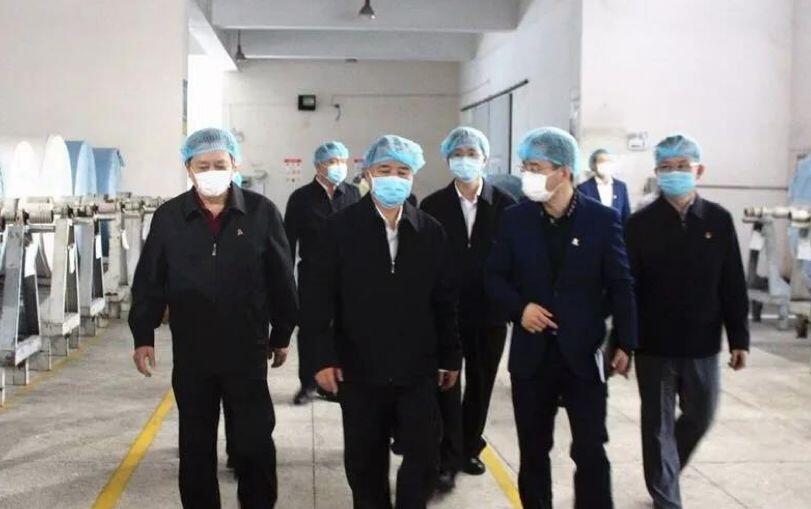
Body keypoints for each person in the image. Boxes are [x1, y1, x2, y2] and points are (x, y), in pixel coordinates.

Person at [129, 128, 298, 509]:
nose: (211, 172)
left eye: (219, 164)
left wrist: (282, 332)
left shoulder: (261, 213)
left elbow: (281, 276)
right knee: (195, 445)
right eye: (202, 165)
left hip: (247, 349)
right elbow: (150, 279)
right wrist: (143, 334)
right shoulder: (170, 217)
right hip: (193, 351)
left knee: (254, 442)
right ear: (188, 169)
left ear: (234, 164)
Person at [486, 127, 637, 509]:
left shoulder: (602, 220)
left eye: (535, 167)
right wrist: (519, 308)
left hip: (583, 352)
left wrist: (626, 341)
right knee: (534, 450)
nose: (527, 175)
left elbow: (621, 282)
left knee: (590, 449)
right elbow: (494, 277)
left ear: (564, 171)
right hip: (532, 357)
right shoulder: (515, 218)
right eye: (526, 167)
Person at [309, 135, 462, 509]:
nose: (394, 177)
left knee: (424, 454)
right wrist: (321, 357)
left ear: (413, 176)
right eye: (384, 170)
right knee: (365, 461)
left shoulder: (430, 231)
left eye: (402, 171)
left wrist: (450, 356)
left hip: (417, 367)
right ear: (367, 174)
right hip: (359, 367)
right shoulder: (339, 229)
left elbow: (444, 300)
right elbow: (317, 300)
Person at [625, 134, 749, 509]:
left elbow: (733, 283)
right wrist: (622, 342)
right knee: (657, 426)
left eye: (682, 166)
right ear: (657, 172)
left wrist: (739, 338)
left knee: (700, 415)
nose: (674, 173)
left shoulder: (718, 221)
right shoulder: (639, 224)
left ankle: (666, 470)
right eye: (666, 167)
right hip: (654, 344)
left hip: (702, 343)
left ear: (699, 170)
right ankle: (666, 496)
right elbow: (627, 288)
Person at [419, 127, 516, 492]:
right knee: (446, 383)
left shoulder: (507, 206)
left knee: (481, 383)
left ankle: (469, 446)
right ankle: (447, 455)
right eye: (458, 154)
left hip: (490, 312)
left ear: (485, 159)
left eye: (472, 154)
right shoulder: (432, 206)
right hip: (447, 312)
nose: (465, 160)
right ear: (448, 159)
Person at [284, 141, 361, 405]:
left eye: (341, 161)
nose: (338, 166)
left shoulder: (353, 194)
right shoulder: (301, 198)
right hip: (312, 275)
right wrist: (287, 281)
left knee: (342, 328)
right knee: (310, 329)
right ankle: (307, 384)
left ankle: (334, 384)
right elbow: (288, 241)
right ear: (318, 166)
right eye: (332, 162)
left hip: (347, 275)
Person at [578, 149, 631, 222]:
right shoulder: (584, 188)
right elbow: (581, 217)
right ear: (593, 165)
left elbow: (626, 215)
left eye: (609, 161)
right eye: (601, 161)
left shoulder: (621, 187)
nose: (606, 164)